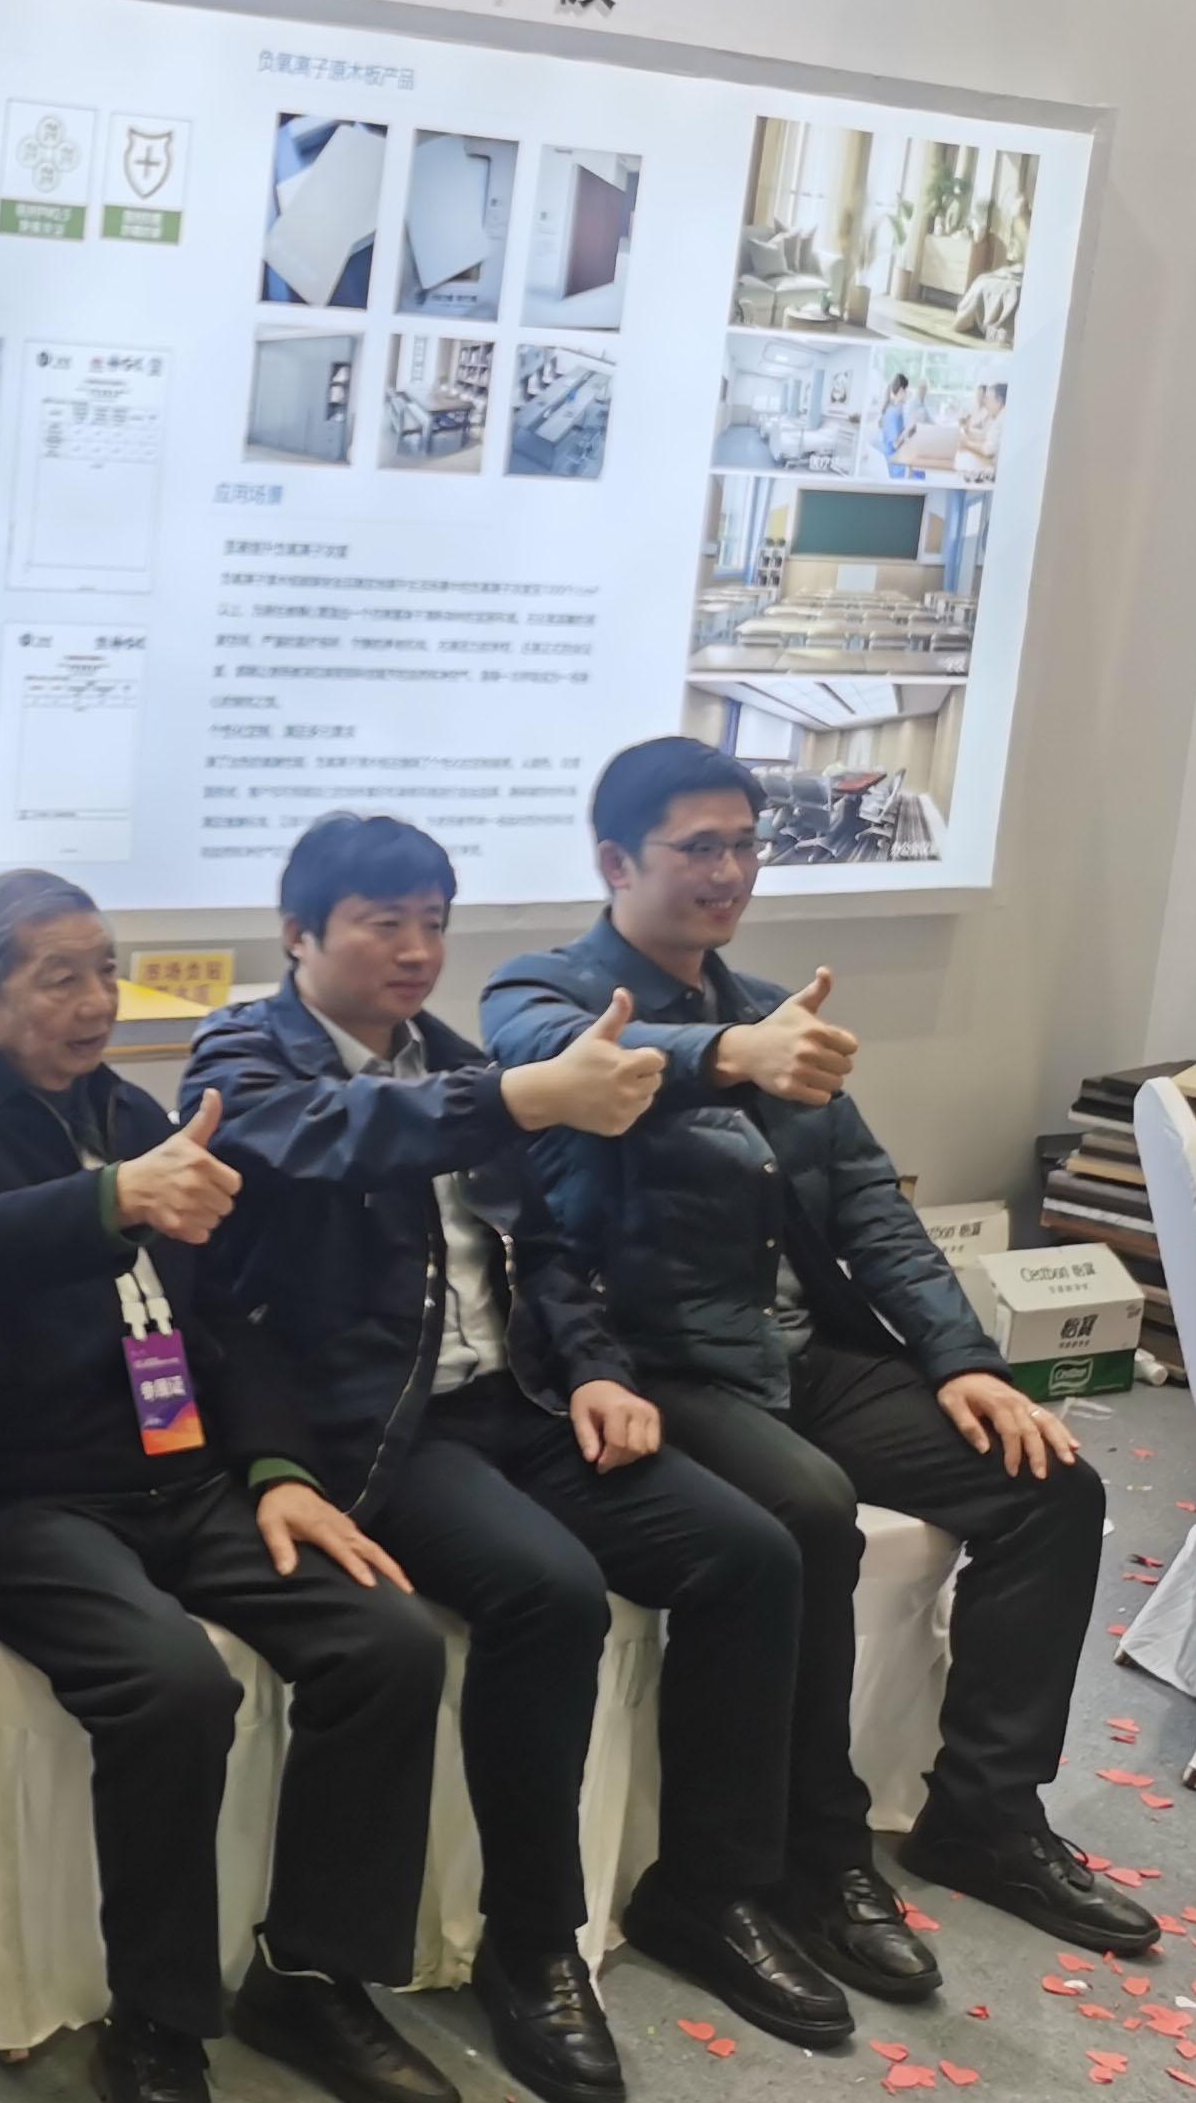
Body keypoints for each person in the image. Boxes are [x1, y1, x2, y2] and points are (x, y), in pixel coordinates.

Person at [182, 813, 841, 2103]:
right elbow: (321, 1136)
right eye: (383, 923)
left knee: (751, 1554)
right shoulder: (243, 1055)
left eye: (433, 922)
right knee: (548, 1593)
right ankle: (532, 1944)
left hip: (519, 1395)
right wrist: (522, 1096)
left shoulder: (453, 1059)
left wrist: (594, 1367)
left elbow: (547, 1252)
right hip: (375, 1422)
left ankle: (710, 1889)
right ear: (299, 933)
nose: (416, 949)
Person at [0, 869, 456, 2103]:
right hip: (9, 1496)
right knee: (173, 1685)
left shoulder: (128, 1113)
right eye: (58, 976)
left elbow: (224, 1322)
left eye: (106, 971)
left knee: (388, 1644)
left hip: (178, 1476)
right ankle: (160, 2030)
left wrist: (281, 1472)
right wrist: (115, 1198)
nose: (96, 1002)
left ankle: (312, 1977)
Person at [484, 738, 1156, 1962]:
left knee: (1048, 1485)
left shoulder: (771, 1012)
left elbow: (870, 1211)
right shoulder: (547, 993)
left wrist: (965, 1361)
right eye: (700, 848)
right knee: (809, 1510)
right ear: (616, 862)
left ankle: (986, 1818)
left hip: (796, 1352)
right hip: (654, 1366)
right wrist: (725, 1058)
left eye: (746, 845)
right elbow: (543, 1064)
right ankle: (822, 1854)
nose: (730, 871)